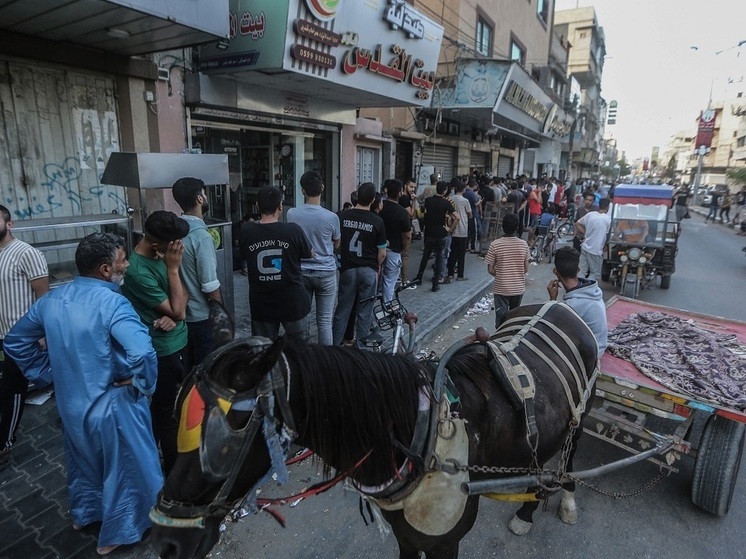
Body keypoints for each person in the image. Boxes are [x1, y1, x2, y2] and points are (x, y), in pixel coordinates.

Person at [4, 233, 162, 556]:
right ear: (106, 270)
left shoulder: (52, 300)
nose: (127, 264)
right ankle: (119, 532)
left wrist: (49, 374)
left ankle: (85, 515)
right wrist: (141, 384)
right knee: (125, 468)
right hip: (113, 405)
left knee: (83, 463)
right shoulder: (114, 303)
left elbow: (14, 342)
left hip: (71, 405)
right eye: (122, 260)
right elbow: (143, 353)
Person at [121, 210, 189, 476]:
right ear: (157, 244)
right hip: (163, 352)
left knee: (175, 407)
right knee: (167, 414)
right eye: (175, 244)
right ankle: (171, 473)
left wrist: (175, 314)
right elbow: (180, 309)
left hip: (179, 341)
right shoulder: (138, 271)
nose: (179, 249)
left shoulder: (162, 256)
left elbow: (184, 300)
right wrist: (173, 270)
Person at [0, 205, 49, 469]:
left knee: (12, 390)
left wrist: (42, 333)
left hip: (22, 339)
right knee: (6, 388)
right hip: (2, 335)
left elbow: (43, 295)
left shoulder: (26, 253)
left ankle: (4, 443)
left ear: (10, 224)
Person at [240, 185, 313, 340]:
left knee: (263, 352)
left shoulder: (246, 231)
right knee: (299, 353)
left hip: (262, 304)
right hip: (293, 301)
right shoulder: (293, 230)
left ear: (258, 206)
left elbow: (245, 255)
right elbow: (310, 253)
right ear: (280, 205)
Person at [171, 177, 222, 371]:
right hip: (201, 318)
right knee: (206, 370)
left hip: (182, 316)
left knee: (190, 367)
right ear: (200, 198)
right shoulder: (201, 236)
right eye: (204, 193)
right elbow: (209, 285)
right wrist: (221, 315)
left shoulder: (176, 230)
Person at [287, 171, 340, 345]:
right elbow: (337, 243)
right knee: (325, 322)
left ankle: (304, 357)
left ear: (302, 191)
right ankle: (327, 362)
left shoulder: (292, 214)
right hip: (326, 272)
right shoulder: (332, 217)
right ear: (322, 188)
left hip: (301, 272)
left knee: (304, 319)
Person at [332, 182, 387, 346]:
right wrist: (374, 266)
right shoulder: (377, 221)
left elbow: (338, 245)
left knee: (342, 310)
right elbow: (382, 253)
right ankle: (362, 351)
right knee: (365, 312)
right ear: (372, 200)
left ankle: (334, 348)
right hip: (368, 270)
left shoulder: (343, 217)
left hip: (348, 269)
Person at [547, 246, 607, 354]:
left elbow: (552, 327)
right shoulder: (592, 289)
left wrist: (552, 300)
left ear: (555, 271)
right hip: (598, 345)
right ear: (578, 270)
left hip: (593, 355)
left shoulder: (573, 305)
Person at [485, 213, 530, 329]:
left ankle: (499, 339)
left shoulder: (495, 245)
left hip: (501, 288)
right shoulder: (523, 245)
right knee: (514, 317)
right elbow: (525, 269)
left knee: (501, 319)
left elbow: (490, 269)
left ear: (502, 227)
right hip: (518, 288)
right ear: (516, 228)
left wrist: (501, 274)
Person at [413, 182, 459, 292]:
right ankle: (435, 283)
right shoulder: (446, 203)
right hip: (441, 234)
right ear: (444, 191)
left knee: (426, 256)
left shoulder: (429, 201)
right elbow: (457, 217)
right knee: (439, 257)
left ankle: (419, 277)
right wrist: (450, 229)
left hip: (429, 233)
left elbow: (423, 210)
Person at [379, 179, 412, 302]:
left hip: (377, 249)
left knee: (374, 280)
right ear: (399, 193)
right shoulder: (402, 212)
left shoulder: (379, 207)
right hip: (394, 250)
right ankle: (387, 307)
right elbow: (407, 235)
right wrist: (403, 248)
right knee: (389, 281)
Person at [575, 198, 611, 281]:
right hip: (596, 250)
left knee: (582, 271)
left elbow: (577, 223)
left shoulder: (590, 215)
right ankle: (589, 289)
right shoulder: (608, 219)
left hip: (585, 246)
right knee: (594, 273)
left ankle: (579, 287)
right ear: (608, 207)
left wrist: (586, 233)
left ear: (599, 205)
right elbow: (608, 235)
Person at [447, 178, 472, 281]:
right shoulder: (465, 201)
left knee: (452, 253)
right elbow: (470, 214)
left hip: (452, 229)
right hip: (462, 230)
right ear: (464, 189)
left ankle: (450, 273)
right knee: (461, 254)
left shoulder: (450, 199)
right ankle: (460, 275)